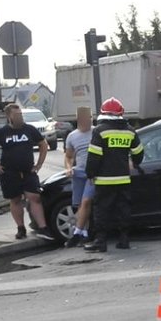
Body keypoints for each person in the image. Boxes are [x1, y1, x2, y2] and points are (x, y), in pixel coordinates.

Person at [0, 104, 54, 241]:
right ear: (9, 117)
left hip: (28, 171)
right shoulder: (2, 132)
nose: (20, 117)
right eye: (17, 115)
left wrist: (39, 164)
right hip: (9, 172)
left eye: (21, 114)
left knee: (34, 197)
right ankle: (21, 228)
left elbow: (43, 144)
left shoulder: (29, 129)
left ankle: (43, 228)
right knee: (15, 199)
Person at [83, 97, 144, 252]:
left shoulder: (100, 131)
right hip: (123, 179)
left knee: (101, 211)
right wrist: (135, 163)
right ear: (121, 113)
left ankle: (101, 242)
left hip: (104, 180)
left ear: (103, 113)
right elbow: (139, 153)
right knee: (123, 209)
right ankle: (124, 240)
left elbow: (94, 156)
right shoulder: (130, 131)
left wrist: (90, 174)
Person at [63, 106, 96, 248]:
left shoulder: (96, 132)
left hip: (92, 173)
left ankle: (77, 234)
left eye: (89, 118)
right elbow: (69, 156)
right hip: (79, 173)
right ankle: (85, 234)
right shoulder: (72, 136)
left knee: (86, 201)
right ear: (78, 119)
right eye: (84, 119)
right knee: (79, 204)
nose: (87, 122)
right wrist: (69, 168)